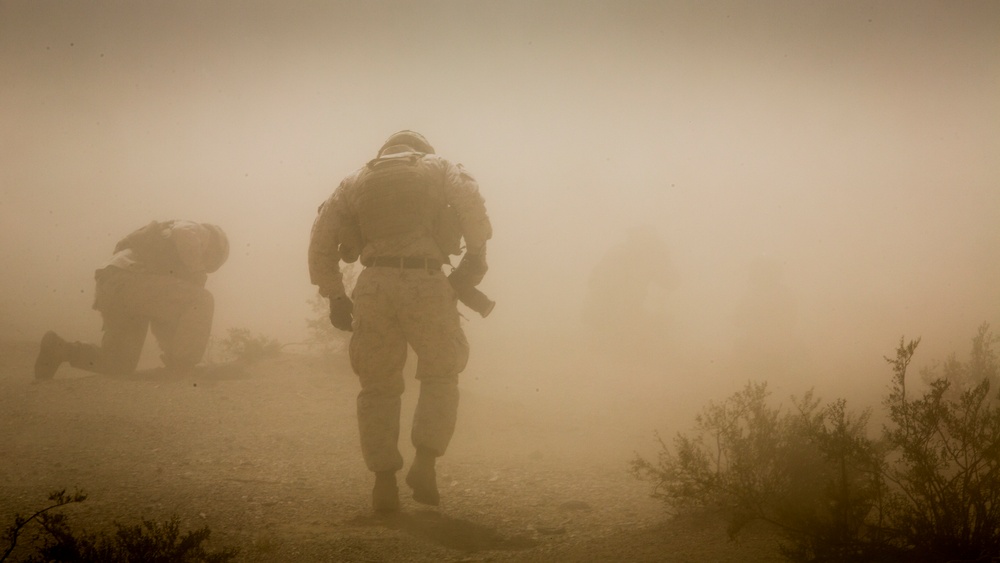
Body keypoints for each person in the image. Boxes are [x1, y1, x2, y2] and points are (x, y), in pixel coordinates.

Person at [308, 130, 492, 513]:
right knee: (441, 373)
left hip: (373, 285)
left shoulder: (355, 179)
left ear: (384, 152)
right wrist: (475, 253)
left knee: (377, 386)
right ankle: (424, 463)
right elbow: (471, 204)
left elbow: (320, 239)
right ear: (421, 150)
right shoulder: (438, 166)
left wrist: (335, 295)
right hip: (425, 281)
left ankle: (384, 483)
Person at [34, 220, 230, 379]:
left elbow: (165, 319)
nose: (207, 265)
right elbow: (183, 232)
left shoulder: (169, 272)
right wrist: (197, 275)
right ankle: (184, 367)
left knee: (117, 363)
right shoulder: (200, 232)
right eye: (211, 261)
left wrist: (172, 353)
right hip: (131, 279)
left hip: (113, 284)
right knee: (202, 299)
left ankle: (60, 349)